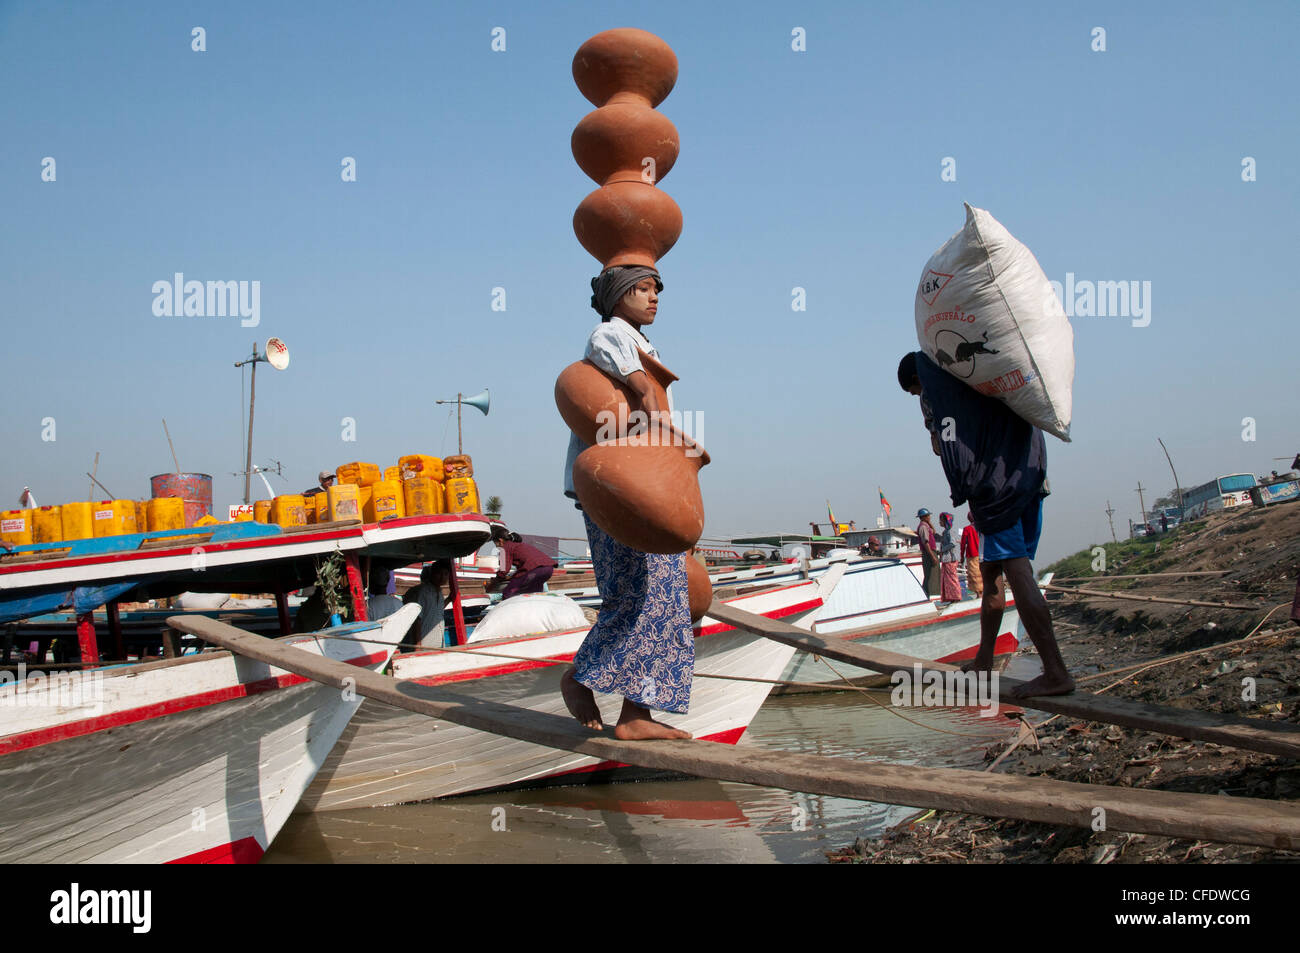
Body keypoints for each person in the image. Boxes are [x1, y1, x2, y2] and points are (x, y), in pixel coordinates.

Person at [559, 265, 693, 741]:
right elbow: (641, 391)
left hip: (641, 485)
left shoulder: (641, 341)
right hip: (618, 487)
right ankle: (579, 679)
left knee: (666, 596)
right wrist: (666, 452)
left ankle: (636, 714)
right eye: (642, 289)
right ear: (618, 297)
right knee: (633, 594)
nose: (654, 297)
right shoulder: (609, 335)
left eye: (657, 289)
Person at [898, 350, 1073, 698]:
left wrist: (933, 426)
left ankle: (1055, 671)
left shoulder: (941, 392)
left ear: (918, 381)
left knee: (1017, 572)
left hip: (999, 490)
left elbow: (943, 445)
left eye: (916, 393)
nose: (919, 400)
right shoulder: (977, 377)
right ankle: (984, 660)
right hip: (1029, 477)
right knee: (992, 575)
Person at [490, 527, 558, 599]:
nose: (497, 547)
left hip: (535, 570)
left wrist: (496, 580)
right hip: (548, 569)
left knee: (508, 592)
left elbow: (504, 570)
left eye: (496, 544)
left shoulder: (505, 547)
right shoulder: (520, 545)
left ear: (500, 541)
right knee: (534, 593)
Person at [401, 562, 448, 648]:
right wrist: (418, 644)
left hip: (436, 641)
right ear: (432, 574)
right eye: (439, 573)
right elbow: (417, 619)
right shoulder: (423, 592)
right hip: (424, 642)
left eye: (445, 574)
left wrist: (449, 599)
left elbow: (436, 609)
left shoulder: (439, 593)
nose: (442, 577)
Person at [937, 512, 962, 603]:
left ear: (945, 521)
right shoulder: (945, 532)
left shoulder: (950, 532)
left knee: (952, 579)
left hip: (950, 559)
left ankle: (956, 597)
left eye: (941, 520)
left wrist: (943, 549)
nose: (939, 522)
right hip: (946, 559)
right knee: (947, 580)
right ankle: (952, 598)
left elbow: (953, 543)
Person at [915, 508, 938, 596]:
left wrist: (929, 523)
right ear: (923, 517)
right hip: (928, 552)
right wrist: (932, 556)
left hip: (930, 552)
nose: (929, 517)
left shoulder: (926, 525)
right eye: (927, 516)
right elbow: (926, 543)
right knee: (930, 575)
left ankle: (928, 593)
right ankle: (930, 594)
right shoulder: (923, 527)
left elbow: (934, 532)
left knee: (932, 574)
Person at [960, 510, 982, 599]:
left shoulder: (967, 529)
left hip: (972, 554)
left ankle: (979, 594)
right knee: (982, 572)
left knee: (974, 574)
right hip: (982, 553)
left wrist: (962, 556)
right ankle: (983, 592)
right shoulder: (980, 527)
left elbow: (963, 544)